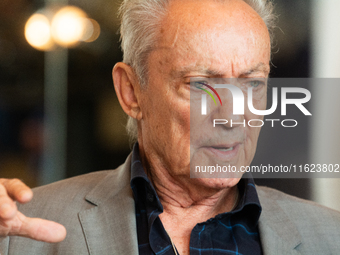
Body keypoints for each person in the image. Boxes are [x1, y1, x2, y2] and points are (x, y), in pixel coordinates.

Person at [1, 0, 340, 254]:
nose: (234, 116)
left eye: (253, 84)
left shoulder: (329, 236)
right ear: (131, 92)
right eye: (201, 85)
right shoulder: (20, 230)